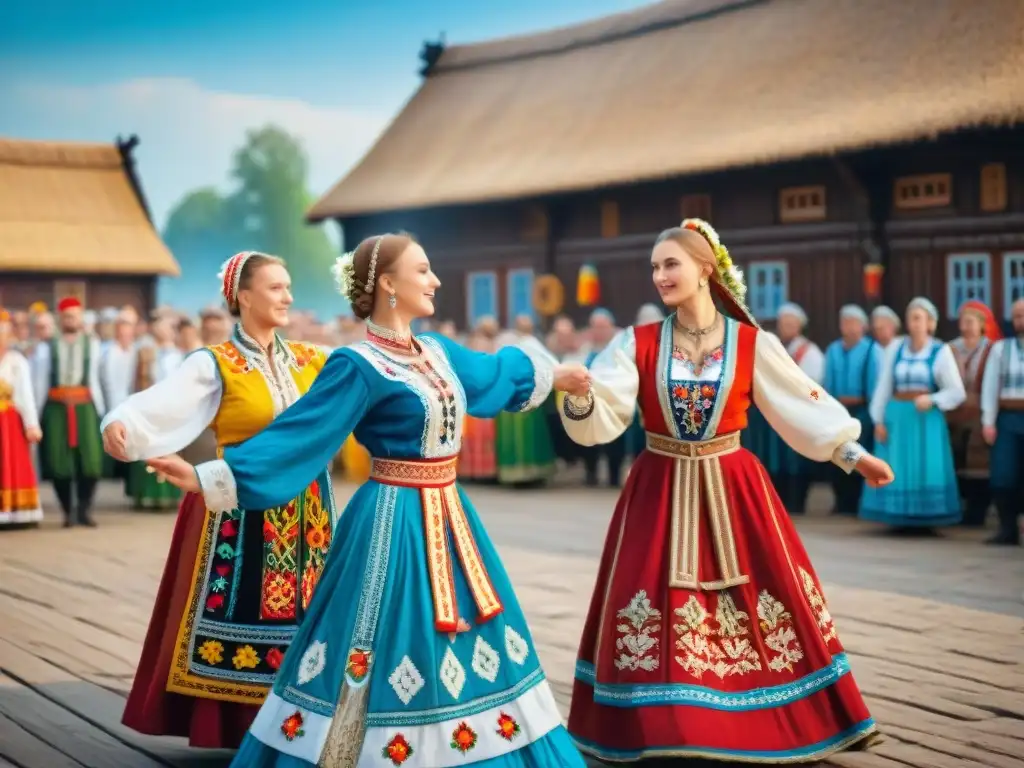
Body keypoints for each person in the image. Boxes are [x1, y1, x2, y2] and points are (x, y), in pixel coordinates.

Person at [147, 233, 590, 767]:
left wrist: (558, 376)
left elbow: (493, 375)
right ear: (387, 284)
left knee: (475, 636)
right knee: (383, 637)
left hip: (452, 519)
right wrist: (208, 477)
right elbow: (301, 433)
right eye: (423, 270)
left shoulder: (438, 352)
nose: (435, 281)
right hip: (391, 521)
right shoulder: (357, 364)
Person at [558, 219, 893, 763]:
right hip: (659, 488)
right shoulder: (637, 343)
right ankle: (665, 724)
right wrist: (578, 396)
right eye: (655, 266)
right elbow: (606, 406)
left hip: (734, 488)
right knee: (646, 600)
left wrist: (853, 455)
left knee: (761, 601)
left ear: (705, 269)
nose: (660, 275)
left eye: (671, 263)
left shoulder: (749, 342)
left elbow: (798, 404)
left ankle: (768, 720)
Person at [101, 252, 336, 748]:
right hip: (240, 510)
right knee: (243, 613)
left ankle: (305, 721)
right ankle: (237, 726)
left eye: (289, 286)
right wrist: (119, 423)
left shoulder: (313, 360)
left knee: (307, 615)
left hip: (308, 513)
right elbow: (160, 403)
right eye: (276, 287)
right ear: (244, 297)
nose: (288, 296)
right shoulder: (215, 364)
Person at [860, 297, 965, 529]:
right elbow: (884, 385)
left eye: (919, 318)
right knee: (897, 464)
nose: (914, 323)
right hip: (897, 416)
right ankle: (897, 516)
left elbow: (956, 391)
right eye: (911, 318)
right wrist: (878, 419)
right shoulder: (896, 348)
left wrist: (933, 399)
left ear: (930, 323)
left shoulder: (940, 350)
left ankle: (926, 518)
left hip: (925, 418)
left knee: (924, 465)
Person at [32, 297, 106, 527]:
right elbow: (39, 382)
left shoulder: (92, 344)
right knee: (58, 463)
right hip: (56, 408)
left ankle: (84, 509)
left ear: (81, 317)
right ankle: (67, 511)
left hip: (85, 406)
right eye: (67, 316)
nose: (71, 319)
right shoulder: (46, 347)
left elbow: (95, 379)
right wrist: (36, 415)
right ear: (60, 318)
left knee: (91, 462)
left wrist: (103, 414)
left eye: (74, 315)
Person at [947, 300, 1000, 527]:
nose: (966, 326)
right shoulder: (950, 348)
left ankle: (977, 511)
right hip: (954, 414)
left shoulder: (992, 349)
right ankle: (959, 507)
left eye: (971, 322)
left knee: (979, 463)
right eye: (963, 322)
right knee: (956, 459)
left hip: (979, 413)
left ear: (982, 324)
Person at [823, 305, 880, 515]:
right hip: (837, 411)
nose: (848, 326)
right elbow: (825, 385)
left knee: (858, 457)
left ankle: (855, 502)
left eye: (853, 322)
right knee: (837, 455)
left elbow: (875, 387)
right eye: (844, 322)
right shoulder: (832, 350)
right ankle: (840, 501)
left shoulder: (872, 350)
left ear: (863, 326)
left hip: (862, 411)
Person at [980, 297, 1024, 546]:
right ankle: (1007, 529)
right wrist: (988, 421)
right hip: (1007, 417)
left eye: (1023, 315)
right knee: (1004, 475)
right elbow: (989, 387)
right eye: (1016, 315)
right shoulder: (1000, 349)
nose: (1020, 320)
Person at [0, 310, 43, 526]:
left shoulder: (16, 361)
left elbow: (26, 396)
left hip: (9, 423)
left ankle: (17, 512)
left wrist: (31, 424)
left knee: (12, 464)